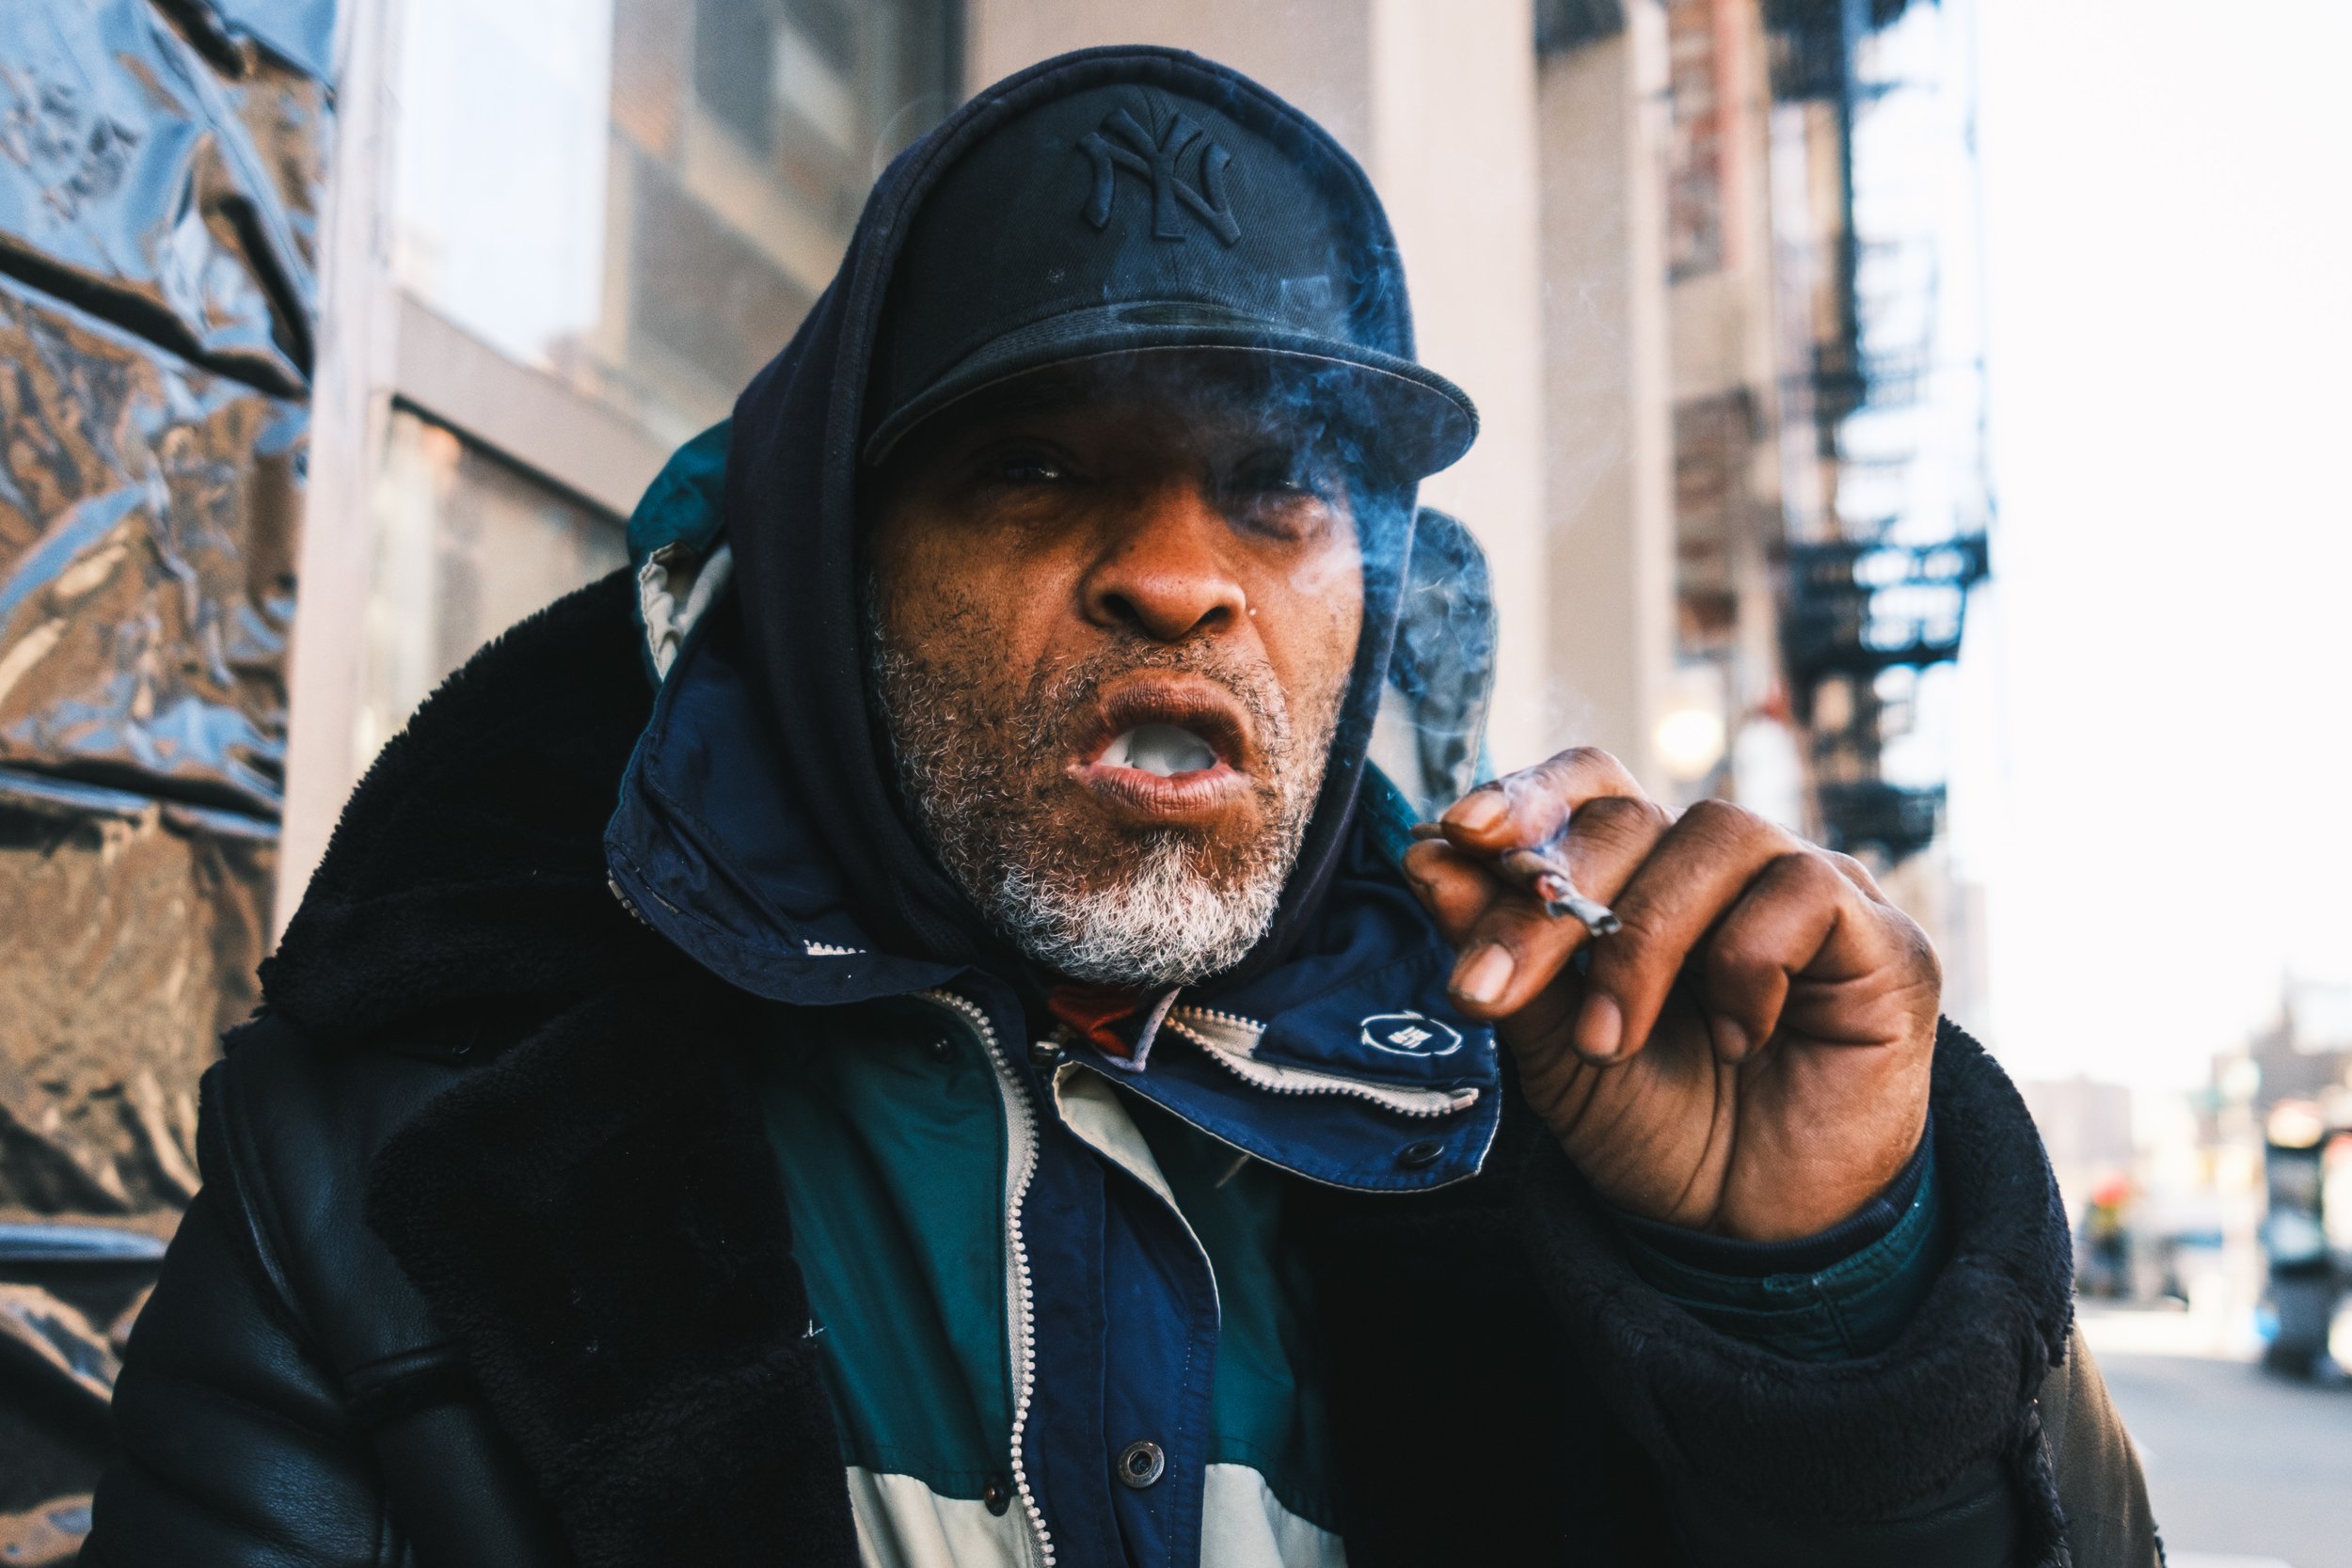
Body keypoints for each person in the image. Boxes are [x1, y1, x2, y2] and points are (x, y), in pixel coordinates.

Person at [84, 46, 2157, 1568]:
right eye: (1034, 467)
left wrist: (1814, 1294)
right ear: (831, 577)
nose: (1180, 572)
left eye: (1276, 484)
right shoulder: (394, 1160)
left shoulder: (1537, 1107)